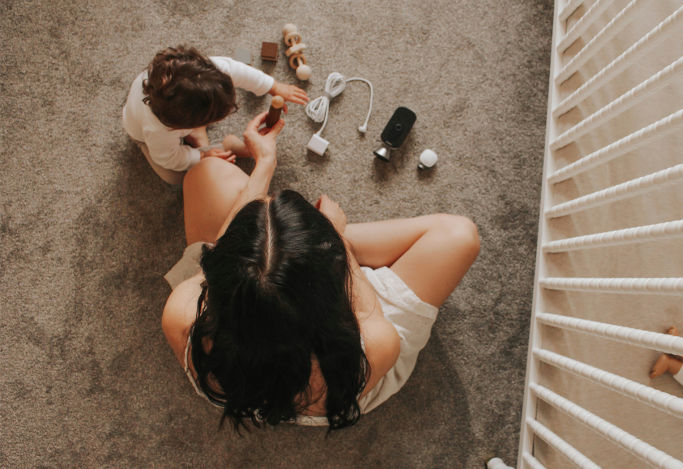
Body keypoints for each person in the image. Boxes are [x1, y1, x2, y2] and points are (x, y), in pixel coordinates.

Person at [161, 111, 480, 429]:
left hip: (241, 379)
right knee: (460, 236)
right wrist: (336, 236)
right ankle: (325, 241)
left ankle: (298, 243)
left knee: (206, 172)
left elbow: (220, 250)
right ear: (333, 280)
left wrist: (265, 162)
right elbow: (363, 306)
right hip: (344, 371)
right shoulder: (375, 344)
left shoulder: (181, 316)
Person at [122, 45, 308, 185]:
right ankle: (212, 143)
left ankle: (200, 139)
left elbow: (240, 72)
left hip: (181, 118)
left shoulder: (210, 72)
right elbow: (168, 158)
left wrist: (273, 86)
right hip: (147, 138)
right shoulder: (158, 131)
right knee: (173, 176)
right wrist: (201, 157)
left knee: (198, 157)